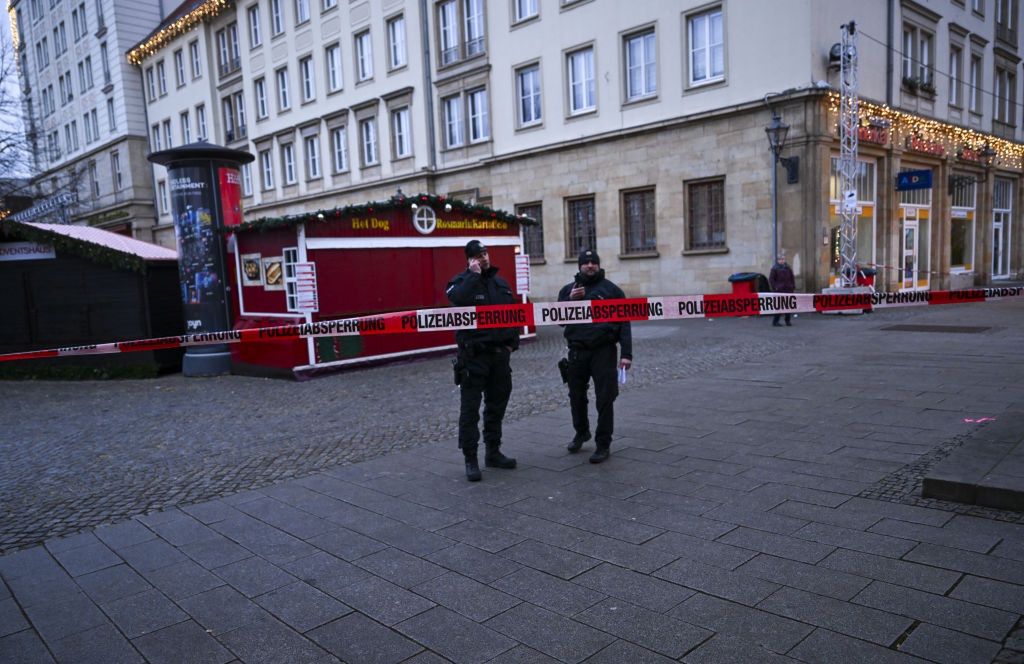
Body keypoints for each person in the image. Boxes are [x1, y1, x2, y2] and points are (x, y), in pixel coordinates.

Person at [445, 240, 520, 481]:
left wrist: (512, 343)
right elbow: (456, 299)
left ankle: (493, 451)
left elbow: (514, 314)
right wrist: (473, 276)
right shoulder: (460, 282)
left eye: (485, 253)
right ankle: (470, 458)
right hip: (474, 356)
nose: (484, 258)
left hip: (499, 356)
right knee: (470, 410)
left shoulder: (501, 284)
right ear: (469, 260)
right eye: (478, 255)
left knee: (497, 404)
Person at [557, 250, 632, 464]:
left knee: (605, 398)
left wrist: (626, 354)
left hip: (604, 351)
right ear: (579, 266)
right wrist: (570, 301)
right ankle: (581, 432)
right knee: (576, 396)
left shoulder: (612, 291)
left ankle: (603, 443)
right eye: (586, 263)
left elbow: (625, 322)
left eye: (593, 262)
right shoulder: (567, 290)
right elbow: (559, 320)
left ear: (598, 265)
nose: (590, 266)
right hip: (577, 352)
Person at [769, 254, 795, 326]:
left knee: (788, 306)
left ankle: (787, 321)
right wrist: (775, 287)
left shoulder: (788, 268)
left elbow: (792, 277)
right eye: (780, 259)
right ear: (778, 260)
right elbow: (771, 279)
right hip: (779, 290)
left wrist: (792, 286)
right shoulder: (774, 268)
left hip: (788, 289)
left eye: (783, 259)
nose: (782, 260)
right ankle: (775, 321)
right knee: (779, 306)